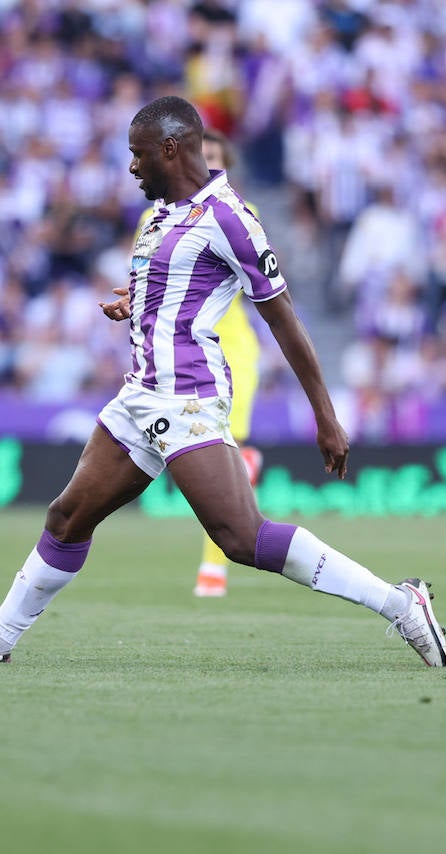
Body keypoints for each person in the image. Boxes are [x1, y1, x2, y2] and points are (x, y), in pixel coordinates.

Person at [0, 97, 446, 667]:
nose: (132, 168)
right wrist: (132, 305)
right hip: (140, 392)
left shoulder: (229, 217)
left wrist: (325, 414)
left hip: (185, 394)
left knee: (242, 537)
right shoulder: (163, 212)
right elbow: (170, 294)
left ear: (170, 148)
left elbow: (283, 318)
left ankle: (399, 603)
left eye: (138, 155)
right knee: (67, 517)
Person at [189, 129, 263, 597]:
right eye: (201, 158)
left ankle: (212, 567)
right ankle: (246, 466)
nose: (207, 166)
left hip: (230, 349)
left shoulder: (240, 215)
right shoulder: (154, 216)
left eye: (214, 158)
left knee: (221, 455)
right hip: (177, 350)